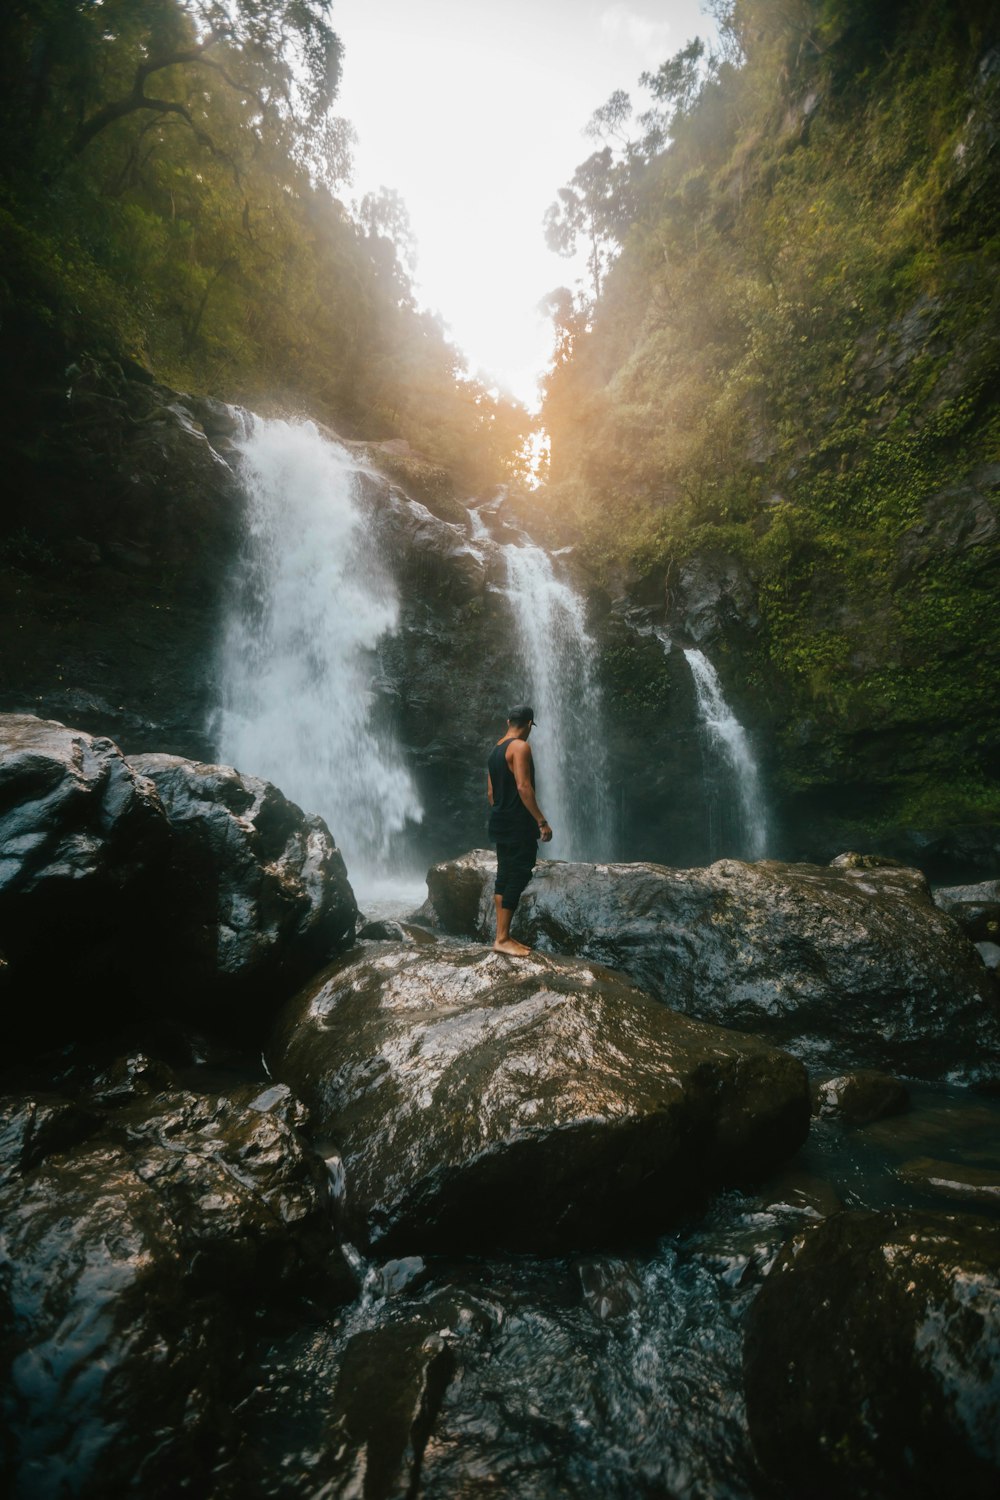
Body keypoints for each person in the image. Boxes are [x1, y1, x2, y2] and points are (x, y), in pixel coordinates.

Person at [486, 705, 552, 955]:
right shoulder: (520, 747)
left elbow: (491, 793)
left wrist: (502, 813)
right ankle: (502, 939)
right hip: (518, 823)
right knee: (520, 873)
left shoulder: (496, 749)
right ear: (528, 724)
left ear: (508, 721)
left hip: (500, 821)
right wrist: (541, 821)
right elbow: (524, 787)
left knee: (504, 874)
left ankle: (501, 936)